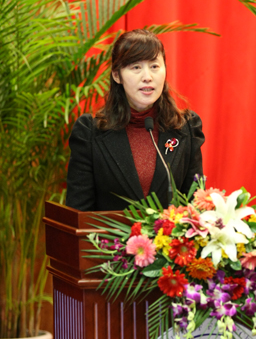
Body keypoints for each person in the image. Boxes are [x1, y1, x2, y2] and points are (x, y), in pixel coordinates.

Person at [66, 29, 205, 211]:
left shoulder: (186, 128)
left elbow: (196, 207)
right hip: (108, 231)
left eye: (154, 66)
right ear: (117, 76)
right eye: (136, 67)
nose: (147, 77)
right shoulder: (90, 133)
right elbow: (78, 214)